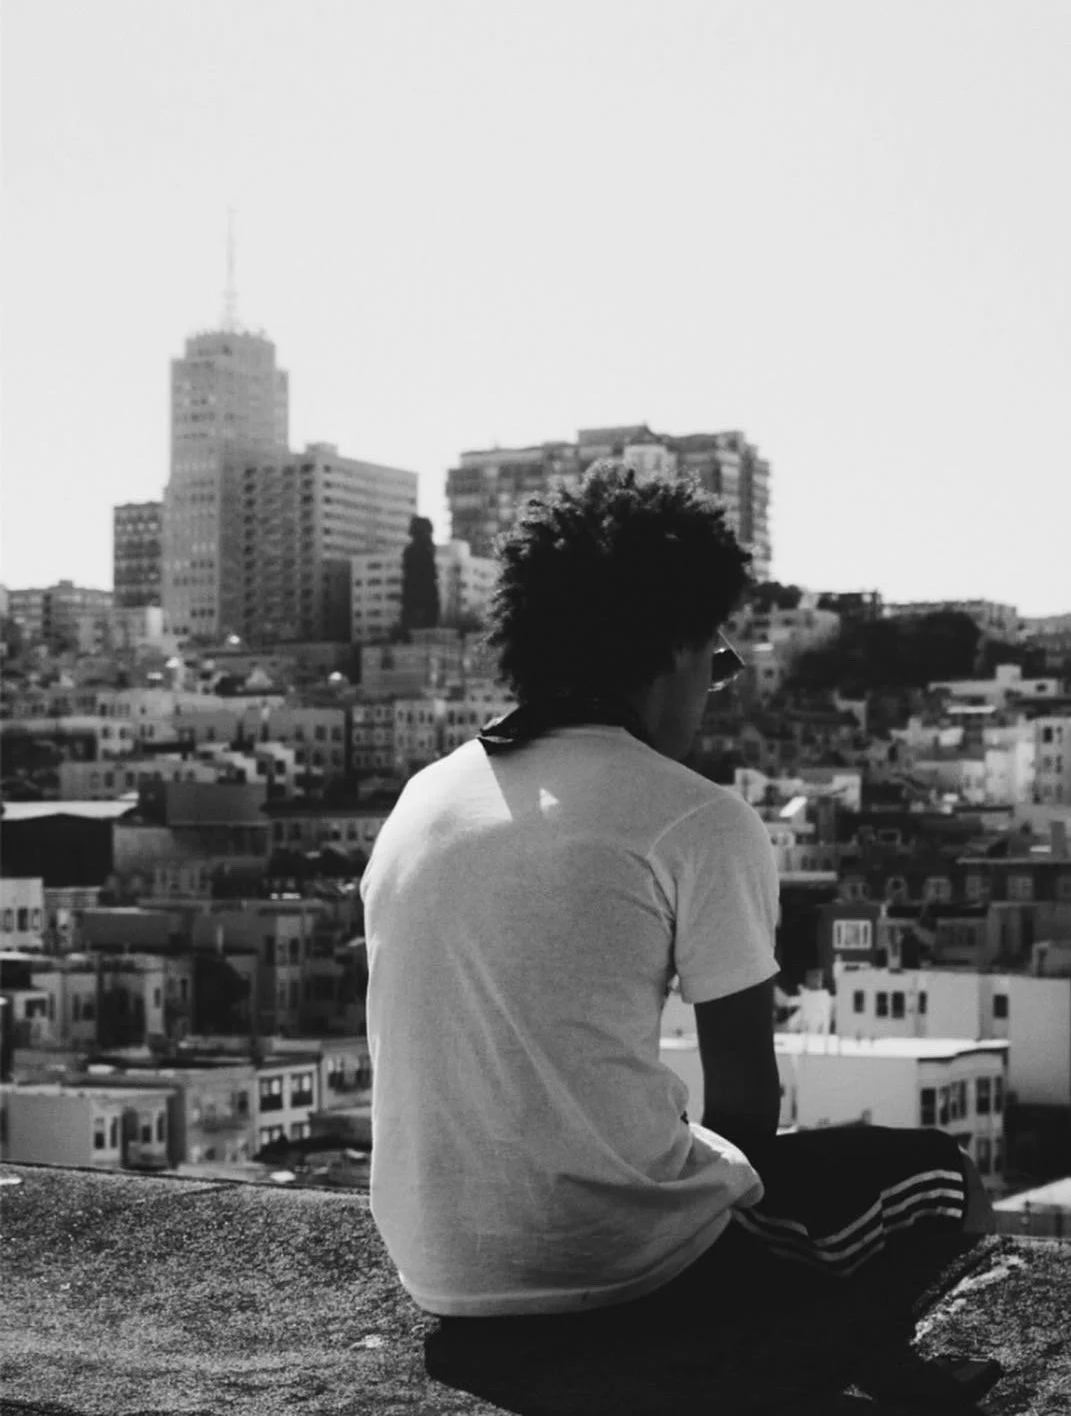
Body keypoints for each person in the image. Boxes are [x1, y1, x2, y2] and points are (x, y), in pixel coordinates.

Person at [363, 462, 998, 1410]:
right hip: (627, 1271)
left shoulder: (421, 801)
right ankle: (845, 1367)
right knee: (942, 1179)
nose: (714, 685)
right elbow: (745, 1106)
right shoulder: (696, 818)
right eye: (716, 658)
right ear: (672, 650)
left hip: (442, 1272)